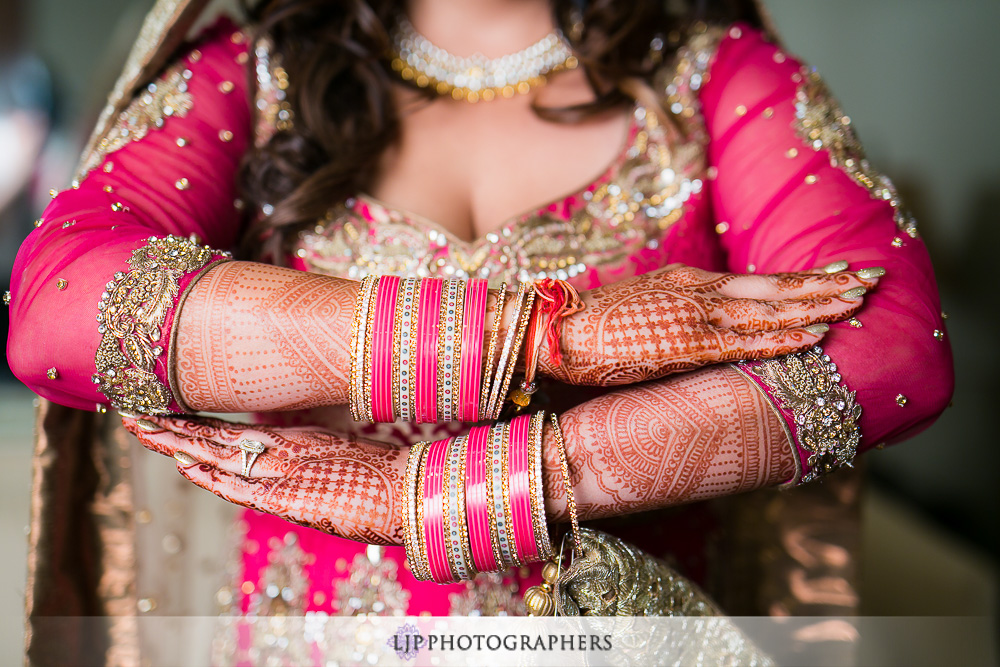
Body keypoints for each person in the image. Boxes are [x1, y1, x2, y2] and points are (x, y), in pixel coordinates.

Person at [7, 0, 953, 662]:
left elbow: (892, 341)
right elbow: (58, 308)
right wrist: (539, 338)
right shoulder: (254, 77)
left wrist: (441, 494)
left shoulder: (713, 80)